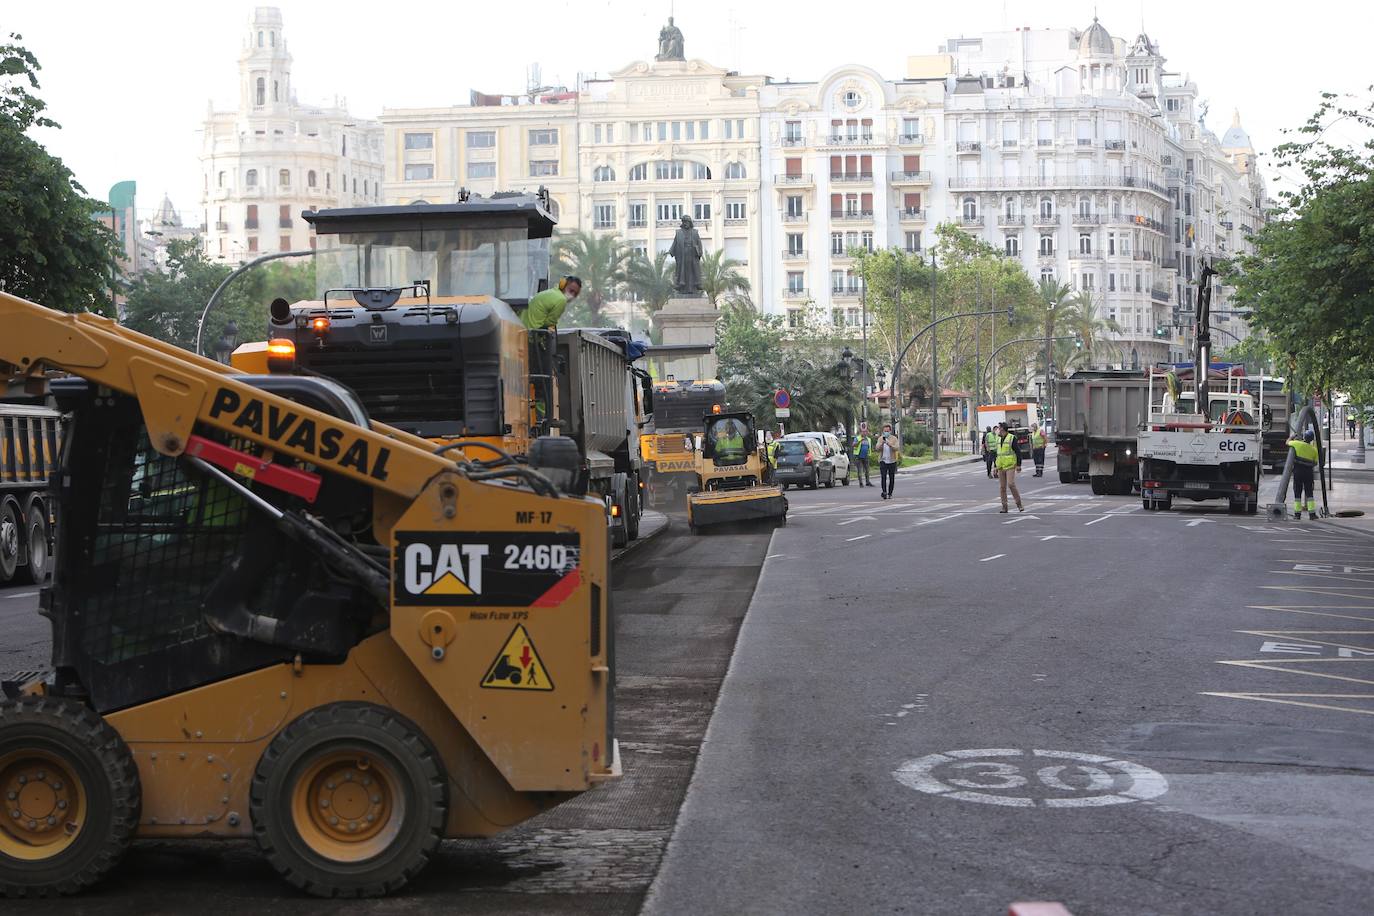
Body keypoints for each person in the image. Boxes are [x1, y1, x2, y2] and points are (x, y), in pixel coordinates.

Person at [523, 276, 582, 425]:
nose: (572, 295)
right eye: (571, 290)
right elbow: (549, 323)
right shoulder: (560, 300)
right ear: (563, 285)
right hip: (534, 339)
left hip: (523, 334)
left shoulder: (547, 293)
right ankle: (543, 416)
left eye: (575, 293)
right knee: (544, 380)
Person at [1287, 428, 1320, 520]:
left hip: (1298, 472)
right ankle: (1312, 514)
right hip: (1308, 473)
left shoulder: (1297, 444)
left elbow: (1287, 442)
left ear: (1304, 437)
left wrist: (1293, 437)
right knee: (1309, 493)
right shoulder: (1313, 450)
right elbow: (1315, 462)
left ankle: (1297, 514)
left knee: (1297, 493)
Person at [995, 421, 1024, 513]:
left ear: (1002, 429)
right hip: (1000, 466)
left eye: (999, 428)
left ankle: (1019, 504)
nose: (997, 430)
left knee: (1011, 484)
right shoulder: (998, 439)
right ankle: (1004, 506)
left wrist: (1019, 465)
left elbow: (1018, 452)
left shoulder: (1012, 438)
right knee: (1002, 487)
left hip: (1010, 465)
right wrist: (995, 467)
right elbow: (998, 454)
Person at [876, 423, 900, 499]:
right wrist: (882, 444)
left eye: (887, 431)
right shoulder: (880, 438)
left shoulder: (894, 438)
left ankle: (890, 493)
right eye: (885, 431)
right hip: (883, 460)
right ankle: (884, 492)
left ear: (890, 431)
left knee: (891, 478)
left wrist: (890, 444)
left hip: (892, 461)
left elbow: (897, 447)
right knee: (883, 477)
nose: (886, 432)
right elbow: (877, 448)